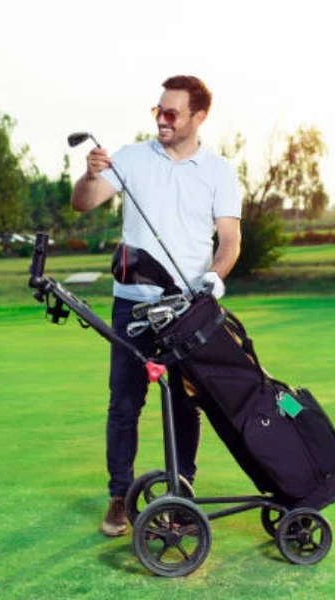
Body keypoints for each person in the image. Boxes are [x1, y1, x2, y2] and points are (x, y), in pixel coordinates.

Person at [70, 75, 242, 537]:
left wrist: (214, 277)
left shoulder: (218, 172)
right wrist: (89, 175)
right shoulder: (129, 157)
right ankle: (118, 498)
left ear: (199, 117)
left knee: (187, 403)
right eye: (158, 111)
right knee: (124, 403)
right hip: (133, 306)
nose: (163, 120)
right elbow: (83, 203)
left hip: (188, 308)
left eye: (172, 113)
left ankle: (181, 494)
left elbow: (230, 239)